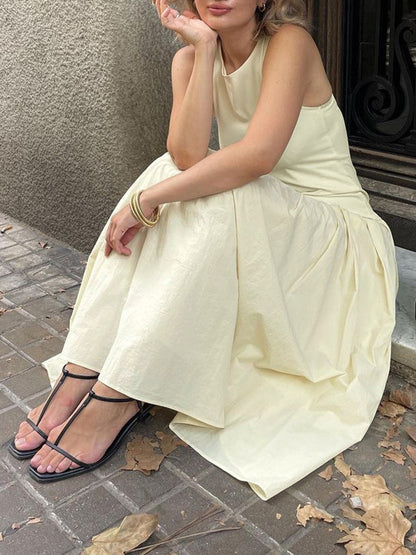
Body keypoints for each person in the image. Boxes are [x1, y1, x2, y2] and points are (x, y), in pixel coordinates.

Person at [8, 0, 398, 501]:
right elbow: (186, 156)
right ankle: (85, 367)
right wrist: (205, 50)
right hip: (264, 217)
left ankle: (120, 394)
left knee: (187, 189)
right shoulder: (191, 58)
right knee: (173, 174)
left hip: (334, 234)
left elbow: (256, 158)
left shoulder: (289, 43)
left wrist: (145, 202)